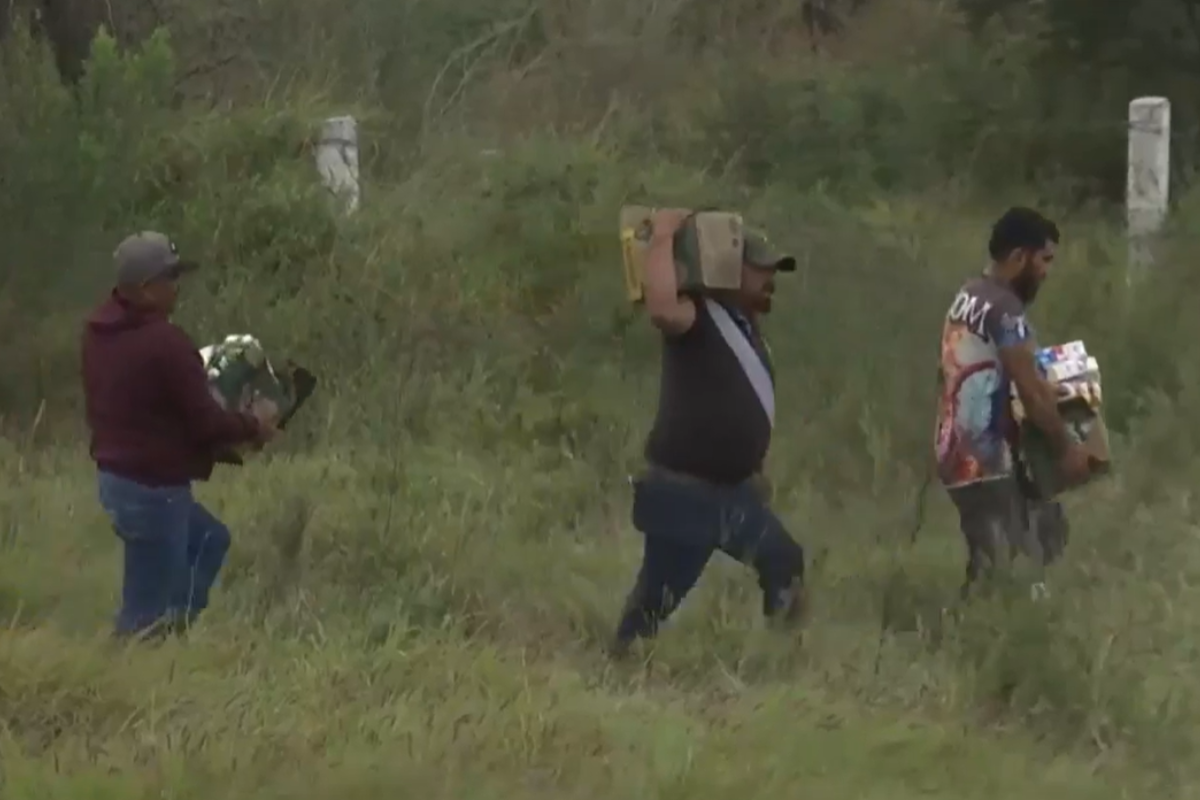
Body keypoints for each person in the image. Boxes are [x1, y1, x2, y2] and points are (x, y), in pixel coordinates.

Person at [610, 209, 807, 658]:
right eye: (762, 269)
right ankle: (618, 665)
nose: (771, 279)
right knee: (655, 601)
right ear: (729, 267)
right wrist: (661, 237)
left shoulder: (742, 327)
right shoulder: (696, 317)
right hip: (686, 492)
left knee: (782, 561)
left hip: (726, 493)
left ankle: (781, 661)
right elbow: (661, 308)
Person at [81, 231, 277, 639]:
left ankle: (171, 635)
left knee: (209, 540)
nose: (176, 287)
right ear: (145, 289)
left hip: (117, 480)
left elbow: (151, 406)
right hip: (154, 489)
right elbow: (205, 422)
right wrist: (254, 425)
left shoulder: (100, 332)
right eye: (169, 278)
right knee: (141, 615)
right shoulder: (165, 342)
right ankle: (133, 672)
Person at [933, 206, 1089, 600]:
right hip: (984, 459)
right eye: (1045, 260)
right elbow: (1032, 392)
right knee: (1016, 571)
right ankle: (995, 641)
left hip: (958, 450)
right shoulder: (1006, 311)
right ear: (1020, 257)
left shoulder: (969, 294)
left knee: (1020, 541)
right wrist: (1066, 449)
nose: (1047, 272)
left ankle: (966, 632)